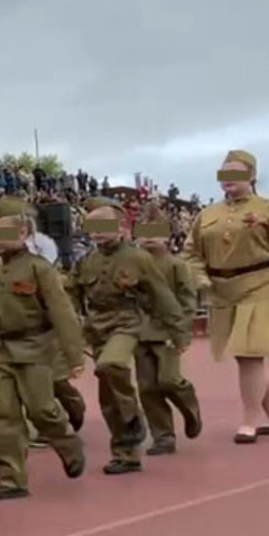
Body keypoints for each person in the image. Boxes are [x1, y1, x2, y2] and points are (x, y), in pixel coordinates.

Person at [183, 150, 269, 444]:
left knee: (249, 353)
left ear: (252, 176)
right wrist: (200, 279)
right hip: (224, 289)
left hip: (264, 284)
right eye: (224, 173)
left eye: (236, 173)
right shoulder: (207, 215)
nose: (229, 179)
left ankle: (249, 420)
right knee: (247, 357)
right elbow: (191, 253)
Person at [0, 197, 86, 500]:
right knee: (4, 415)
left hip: (36, 348)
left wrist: (74, 355)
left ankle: (68, 444)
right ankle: (11, 479)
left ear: (22, 234)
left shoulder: (39, 269)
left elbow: (62, 313)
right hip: (2, 352)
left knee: (42, 410)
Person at [69, 197, 186, 475]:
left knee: (112, 365)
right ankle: (126, 453)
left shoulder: (138, 258)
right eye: (91, 226)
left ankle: (135, 415)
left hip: (126, 323)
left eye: (103, 225)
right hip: (97, 327)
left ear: (121, 226)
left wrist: (179, 332)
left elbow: (162, 296)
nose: (96, 231)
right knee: (108, 394)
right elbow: (71, 293)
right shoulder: (87, 261)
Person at [133, 210, 202, 456]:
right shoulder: (132, 264)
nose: (149, 238)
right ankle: (163, 436)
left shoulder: (176, 265)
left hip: (168, 332)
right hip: (140, 332)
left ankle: (189, 404)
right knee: (147, 387)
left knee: (169, 380)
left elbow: (187, 300)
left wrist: (181, 331)